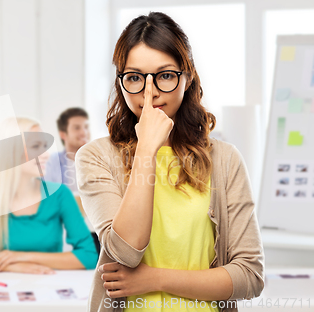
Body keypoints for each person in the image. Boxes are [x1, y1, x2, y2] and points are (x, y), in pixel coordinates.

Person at [75, 13, 264, 312]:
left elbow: (250, 276)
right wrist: (147, 148)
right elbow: (125, 251)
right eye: (135, 78)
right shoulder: (96, 157)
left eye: (164, 75)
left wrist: (154, 279)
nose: (149, 93)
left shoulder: (225, 159)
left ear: (187, 78)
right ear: (121, 83)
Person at [0, 117, 98, 274]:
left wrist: (21, 257)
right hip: (2, 289)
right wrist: (11, 267)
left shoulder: (60, 195)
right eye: (35, 146)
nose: (45, 154)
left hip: (49, 287)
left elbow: (88, 256)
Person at [44, 107, 90, 194]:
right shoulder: (51, 163)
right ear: (63, 135)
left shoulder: (100, 161)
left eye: (86, 127)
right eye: (77, 128)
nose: (84, 132)